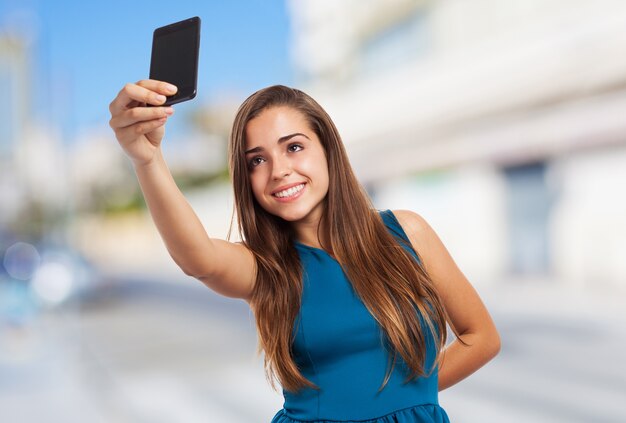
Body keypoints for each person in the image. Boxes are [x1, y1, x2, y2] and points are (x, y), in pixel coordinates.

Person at [108, 80, 501, 422]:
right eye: (257, 160)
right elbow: (197, 258)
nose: (278, 170)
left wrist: (405, 400)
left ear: (328, 149)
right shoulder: (265, 268)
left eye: (293, 147)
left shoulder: (406, 232)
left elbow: (480, 337)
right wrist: (148, 160)